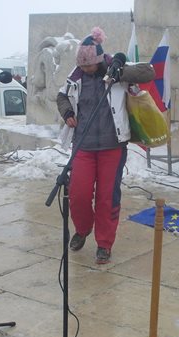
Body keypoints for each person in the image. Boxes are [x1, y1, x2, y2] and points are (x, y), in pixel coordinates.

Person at [56, 27, 154, 264]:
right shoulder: (77, 75)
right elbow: (61, 96)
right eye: (82, 66)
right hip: (83, 147)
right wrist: (67, 111)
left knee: (107, 197)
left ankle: (104, 243)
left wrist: (121, 72)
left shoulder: (115, 70)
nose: (85, 69)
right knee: (78, 194)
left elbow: (148, 72)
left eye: (89, 66)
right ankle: (82, 229)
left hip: (112, 147)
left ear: (99, 61)